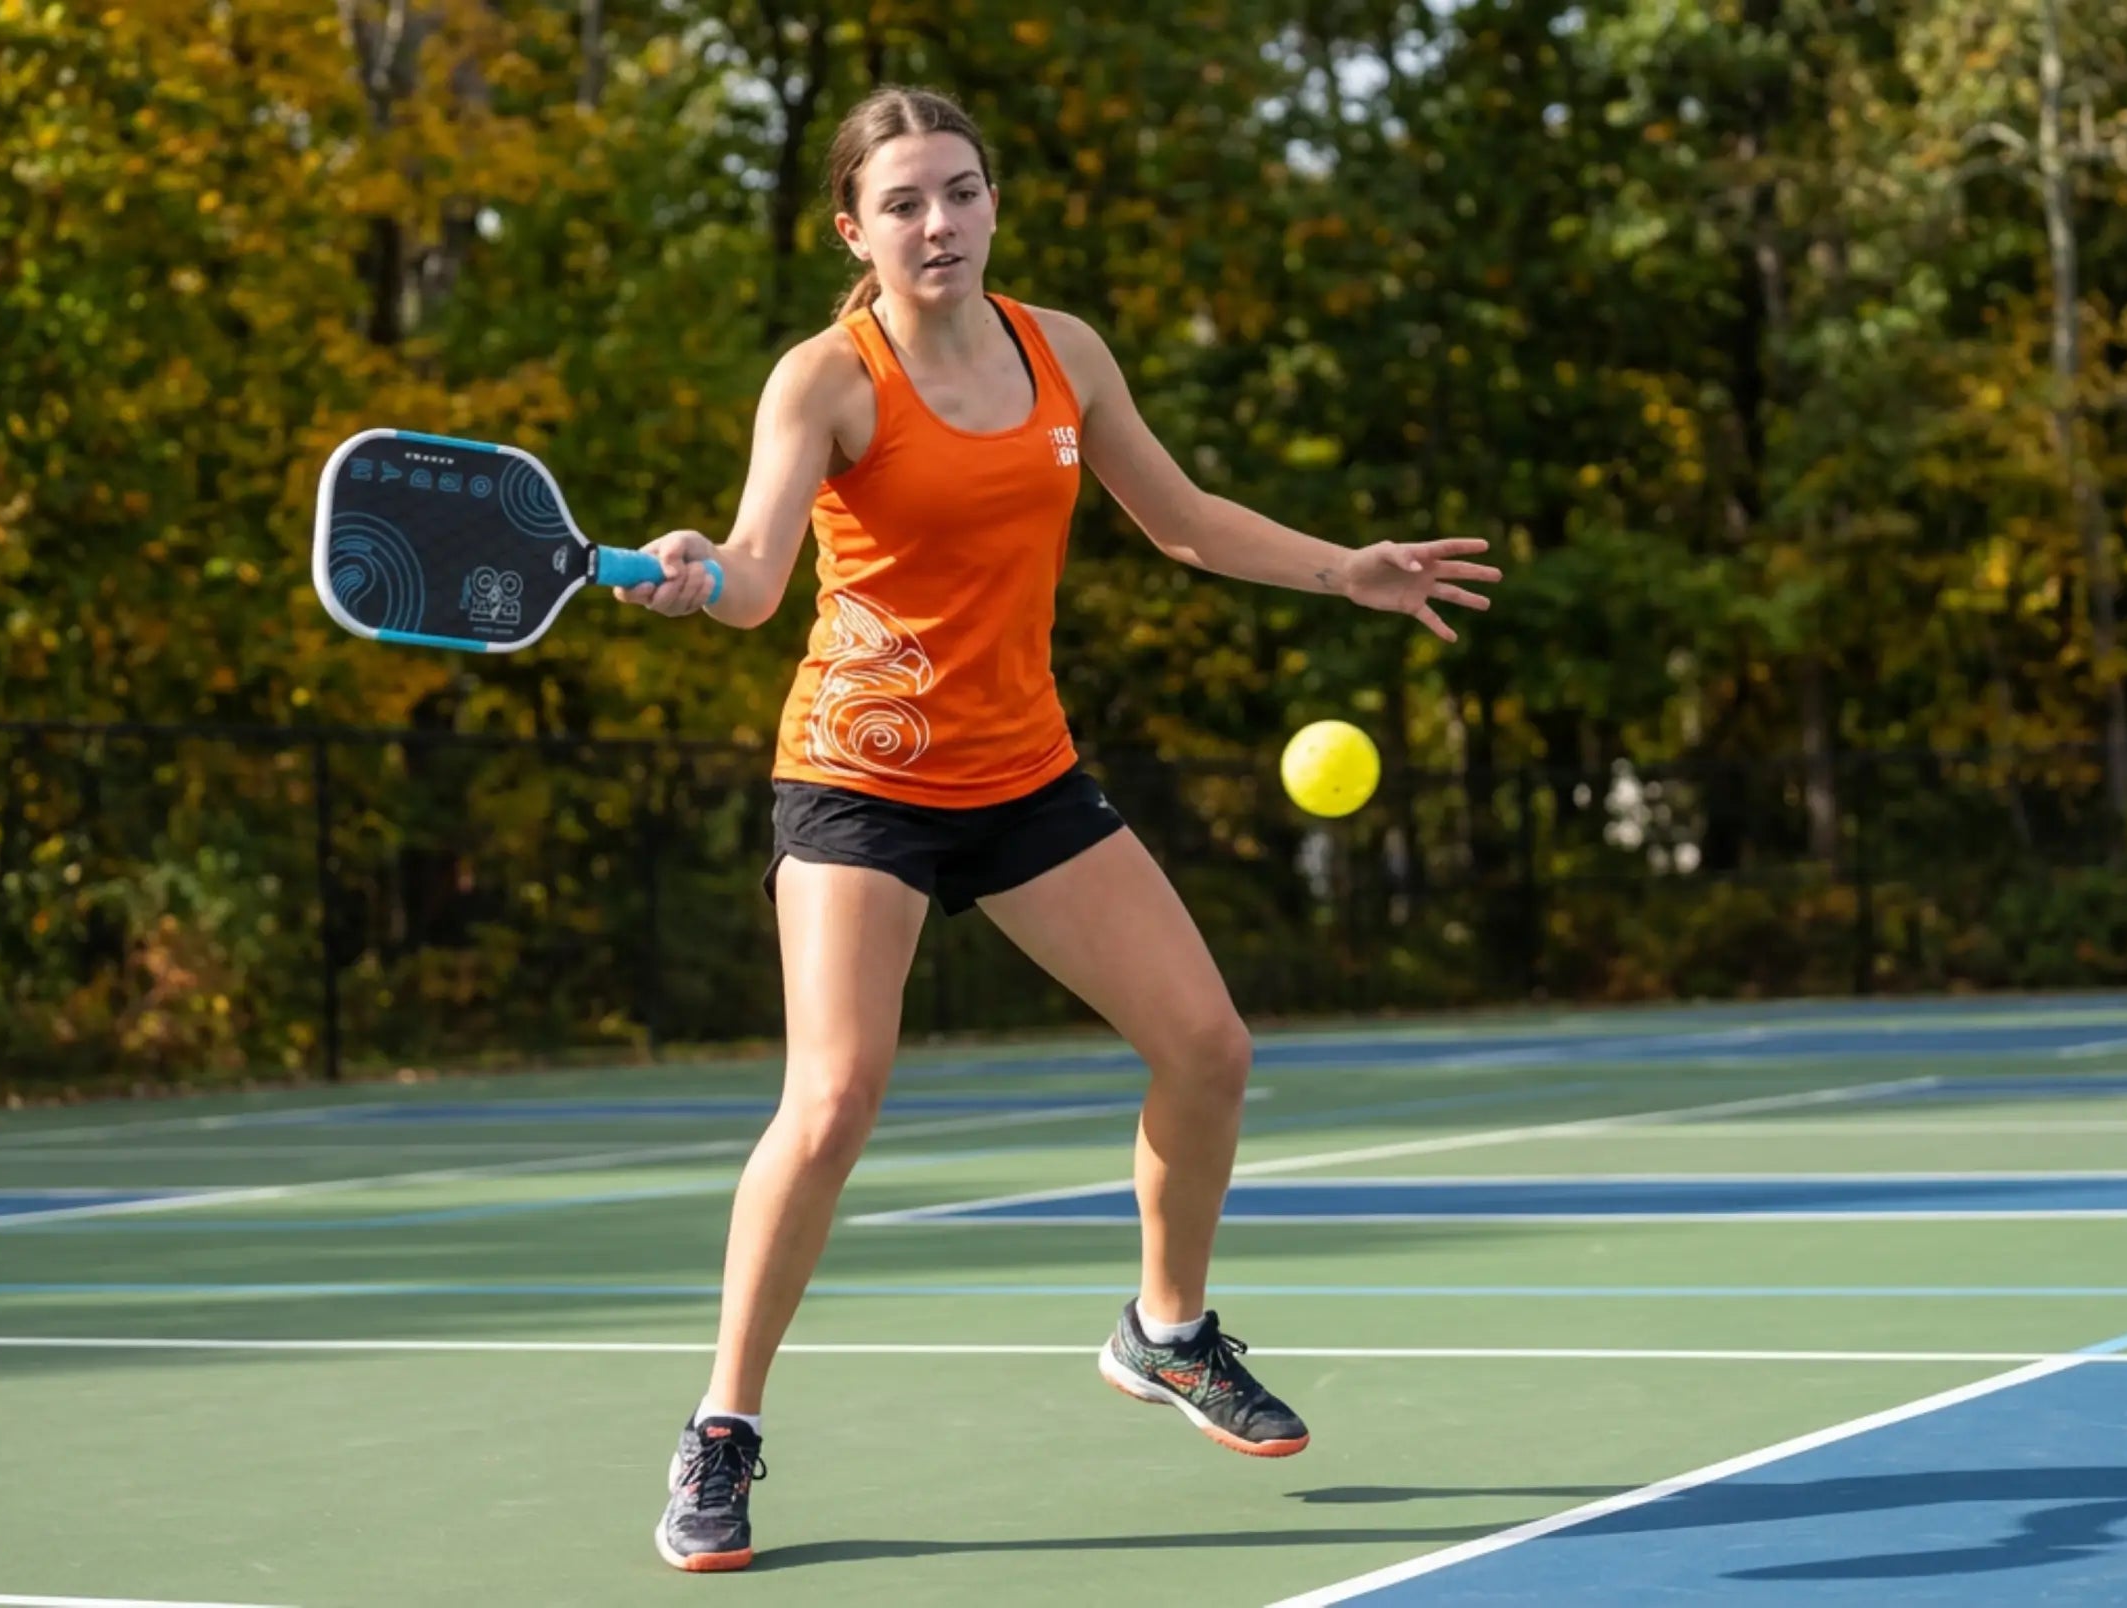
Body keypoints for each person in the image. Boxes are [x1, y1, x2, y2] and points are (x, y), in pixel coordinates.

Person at [613, 84, 1498, 1573]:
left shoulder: (1059, 350)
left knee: (1210, 1047)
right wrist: (699, 573)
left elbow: (1187, 520)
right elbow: (762, 575)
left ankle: (1167, 1330)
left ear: (992, 203)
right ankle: (724, 1432)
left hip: (1024, 776)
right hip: (859, 778)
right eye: (902, 202)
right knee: (833, 1102)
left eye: (958, 191)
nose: (937, 221)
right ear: (855, 228)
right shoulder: (824, 380)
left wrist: (1347, 570)